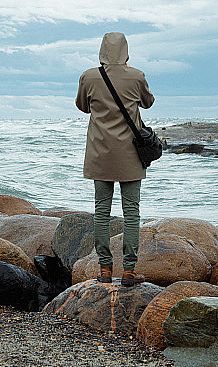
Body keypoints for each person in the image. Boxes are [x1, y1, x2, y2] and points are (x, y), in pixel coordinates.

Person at [76, 32, 155, 286]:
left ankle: (105, 270)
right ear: (126, 51)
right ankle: (130, 271)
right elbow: (148, 102)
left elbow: (82, 106)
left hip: (100, 154)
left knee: (102, 212)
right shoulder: (136, 76)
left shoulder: (89, 76)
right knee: (131, 212)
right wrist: (127, 72)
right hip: (130, 155)